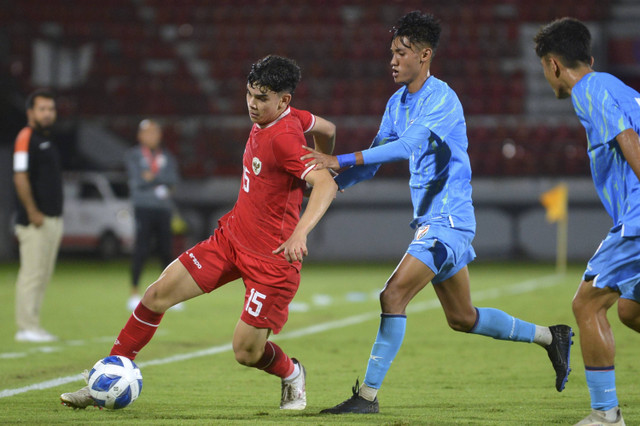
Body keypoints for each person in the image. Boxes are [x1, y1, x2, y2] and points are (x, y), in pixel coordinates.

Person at [302, 11, 574, 414]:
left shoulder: (442, 99)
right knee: (462, 318)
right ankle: (552, 337)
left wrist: (336, 158)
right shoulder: (396, 103)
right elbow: (374, 162)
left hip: (447, 220)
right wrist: (330, 185)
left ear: (425, 55)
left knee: (392, 295)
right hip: (435, 223)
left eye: (401, 52)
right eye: (391, 52)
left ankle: (367, 398)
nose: (392, 60)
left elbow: (407, 147)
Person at [60, 55, 338, 410]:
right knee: (155, 295)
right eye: (250, 94)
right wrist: (323, 155)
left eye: (263, 98)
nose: (253, 104)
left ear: (284, 100)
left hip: (272, 261)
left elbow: (326, 185)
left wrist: (301, 230)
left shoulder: (284, 138)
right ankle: (107, 374)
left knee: (245, 351)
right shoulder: (293, 116)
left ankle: (291, 371)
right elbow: (327, 129)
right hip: (231, 239)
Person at [534, 17, 640, 426]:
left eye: (545, 69)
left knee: (587, 303)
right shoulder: (619, 87)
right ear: (590, 58)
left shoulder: (587, 89)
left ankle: (606, 414)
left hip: (637, 215)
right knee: (631, 309)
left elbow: (626, 138)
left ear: (553, 66)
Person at [12, 89, 63, 343]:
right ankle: (26, 327)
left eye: (50, 109)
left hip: (51, 218)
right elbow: (19, 176)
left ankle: (34, 324)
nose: (47, 113)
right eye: (42, 109)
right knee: (32, 274)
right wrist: (32, 211)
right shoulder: (26, 136)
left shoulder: (47, 139)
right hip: (35, 219)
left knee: (42, 274)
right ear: (30, 112)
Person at [125, 119, 180, 312]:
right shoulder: (133, 156)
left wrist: (151, 178)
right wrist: (160, 182)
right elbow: (137, 181)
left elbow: (173, 180)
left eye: (156, 132)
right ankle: (134, 293)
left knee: (166, 250)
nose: (153, 136)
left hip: (163, 209)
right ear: (140, 136)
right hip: (143, 208)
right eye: (148, 133)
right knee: (141, 249)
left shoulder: (167, 156)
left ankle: (168, 295)